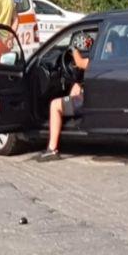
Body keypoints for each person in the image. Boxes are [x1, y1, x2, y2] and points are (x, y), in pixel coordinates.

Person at [38, 33, 98, 162]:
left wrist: (73, 49)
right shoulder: (105, 56)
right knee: (73, 91)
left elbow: (81, 63)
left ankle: (52, 149)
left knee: (55, 105)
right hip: (88, 96)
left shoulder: (97, 60)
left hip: (88, 100)